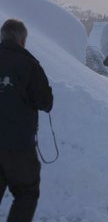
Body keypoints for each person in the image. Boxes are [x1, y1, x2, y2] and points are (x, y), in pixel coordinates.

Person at [0, 19, 53, 222]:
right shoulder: (28, 64)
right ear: (22, 40)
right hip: (18, 146)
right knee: (26, 192)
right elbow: (46, 102)